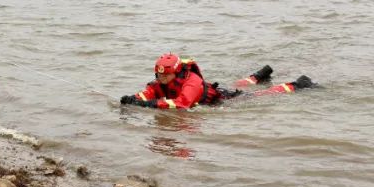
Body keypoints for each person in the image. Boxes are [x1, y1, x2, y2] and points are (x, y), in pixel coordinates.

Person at [120, 53, 313, 110]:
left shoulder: (192, 81)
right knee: (239, 83)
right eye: (158, 75)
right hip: (211, 92)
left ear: (176, 72)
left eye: (164, 75)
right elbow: (149, 92)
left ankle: (297, 84)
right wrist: (133, 99)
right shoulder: (161, 81)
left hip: (220, 100)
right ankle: (259, 76)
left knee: (258, 95)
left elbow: (182, 104)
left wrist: (150, 105)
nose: (160, 79)